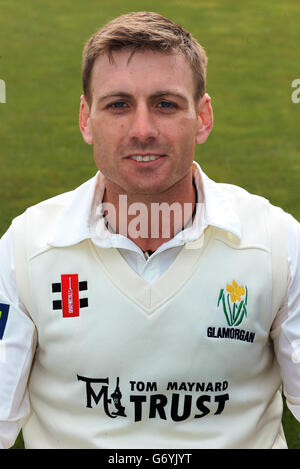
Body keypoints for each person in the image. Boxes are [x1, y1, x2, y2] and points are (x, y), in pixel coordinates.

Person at [0, 11, 299, 450]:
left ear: (203, 117)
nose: (142, 130)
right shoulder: (25, 249)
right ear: (86, 118)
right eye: (118, 105)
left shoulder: (277, 244)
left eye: (166, 104)